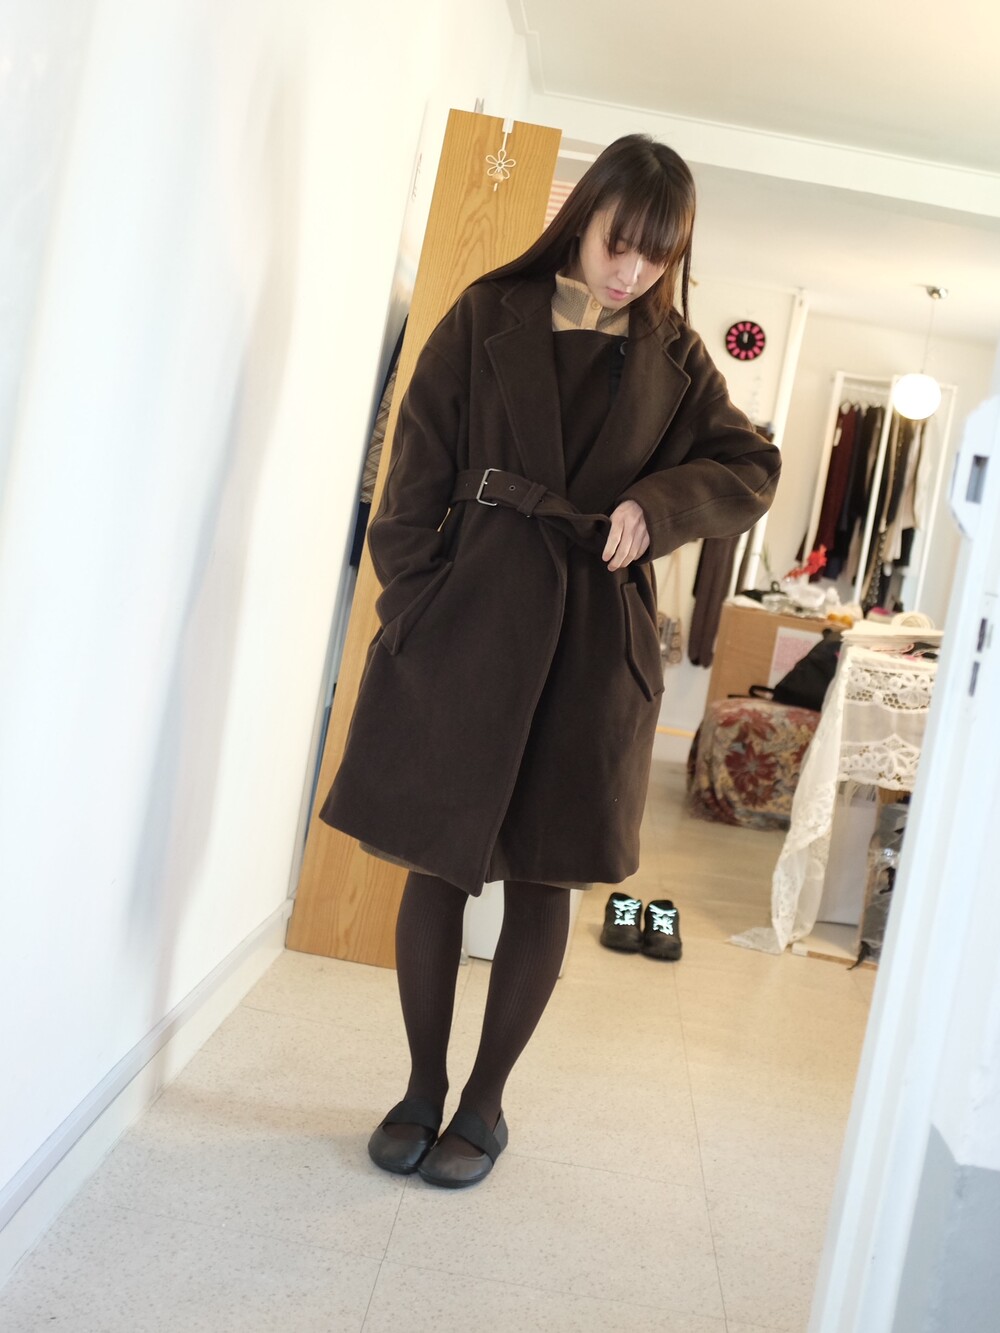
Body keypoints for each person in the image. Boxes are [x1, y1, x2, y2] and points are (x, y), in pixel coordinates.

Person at [320, 134, 781, 1188]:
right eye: (619, 243)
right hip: (468, 623)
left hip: (590, 644)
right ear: (582, 217)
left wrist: (656, 505)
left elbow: (751, 466)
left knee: (543, 876)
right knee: (437, 862)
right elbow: (412, 476)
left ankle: (484, 1105)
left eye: (655, 257)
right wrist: (418, 603)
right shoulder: (487, 312)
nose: (631, 272)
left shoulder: (678, 359)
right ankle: (421, 1087)